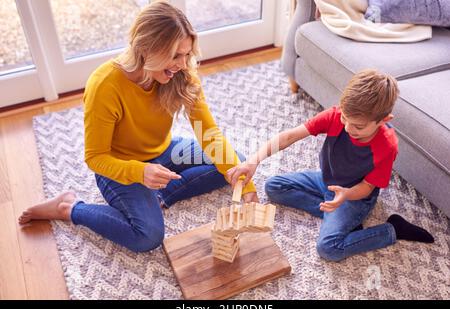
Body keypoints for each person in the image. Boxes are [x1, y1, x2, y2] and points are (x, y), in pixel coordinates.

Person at [19, 1, 257, 252]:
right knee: (147, 236)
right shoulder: (105, 85)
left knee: (233, 163)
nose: (183, 63)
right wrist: (140, 172)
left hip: (164, 151)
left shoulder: (181, 73)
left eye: (187, 54)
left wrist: (246, 187)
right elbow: (95, 158)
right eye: (175, 55)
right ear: (146, 48)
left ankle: (160, 195)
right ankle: (69, 207)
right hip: (119, 166)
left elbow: (210, 135)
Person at [227, 69, 434, 262]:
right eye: (345, 118)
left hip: (355, 195)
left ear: (383, 120)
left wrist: (345, 196)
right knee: (274, 187)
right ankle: (341, 220)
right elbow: (289, 136)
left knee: (329, 248)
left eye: (358, 126)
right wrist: (253, 160)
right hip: (325, 180)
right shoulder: (336, 116)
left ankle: (392, 230)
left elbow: (367, 188)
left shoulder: (386, 145)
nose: (347, 127)